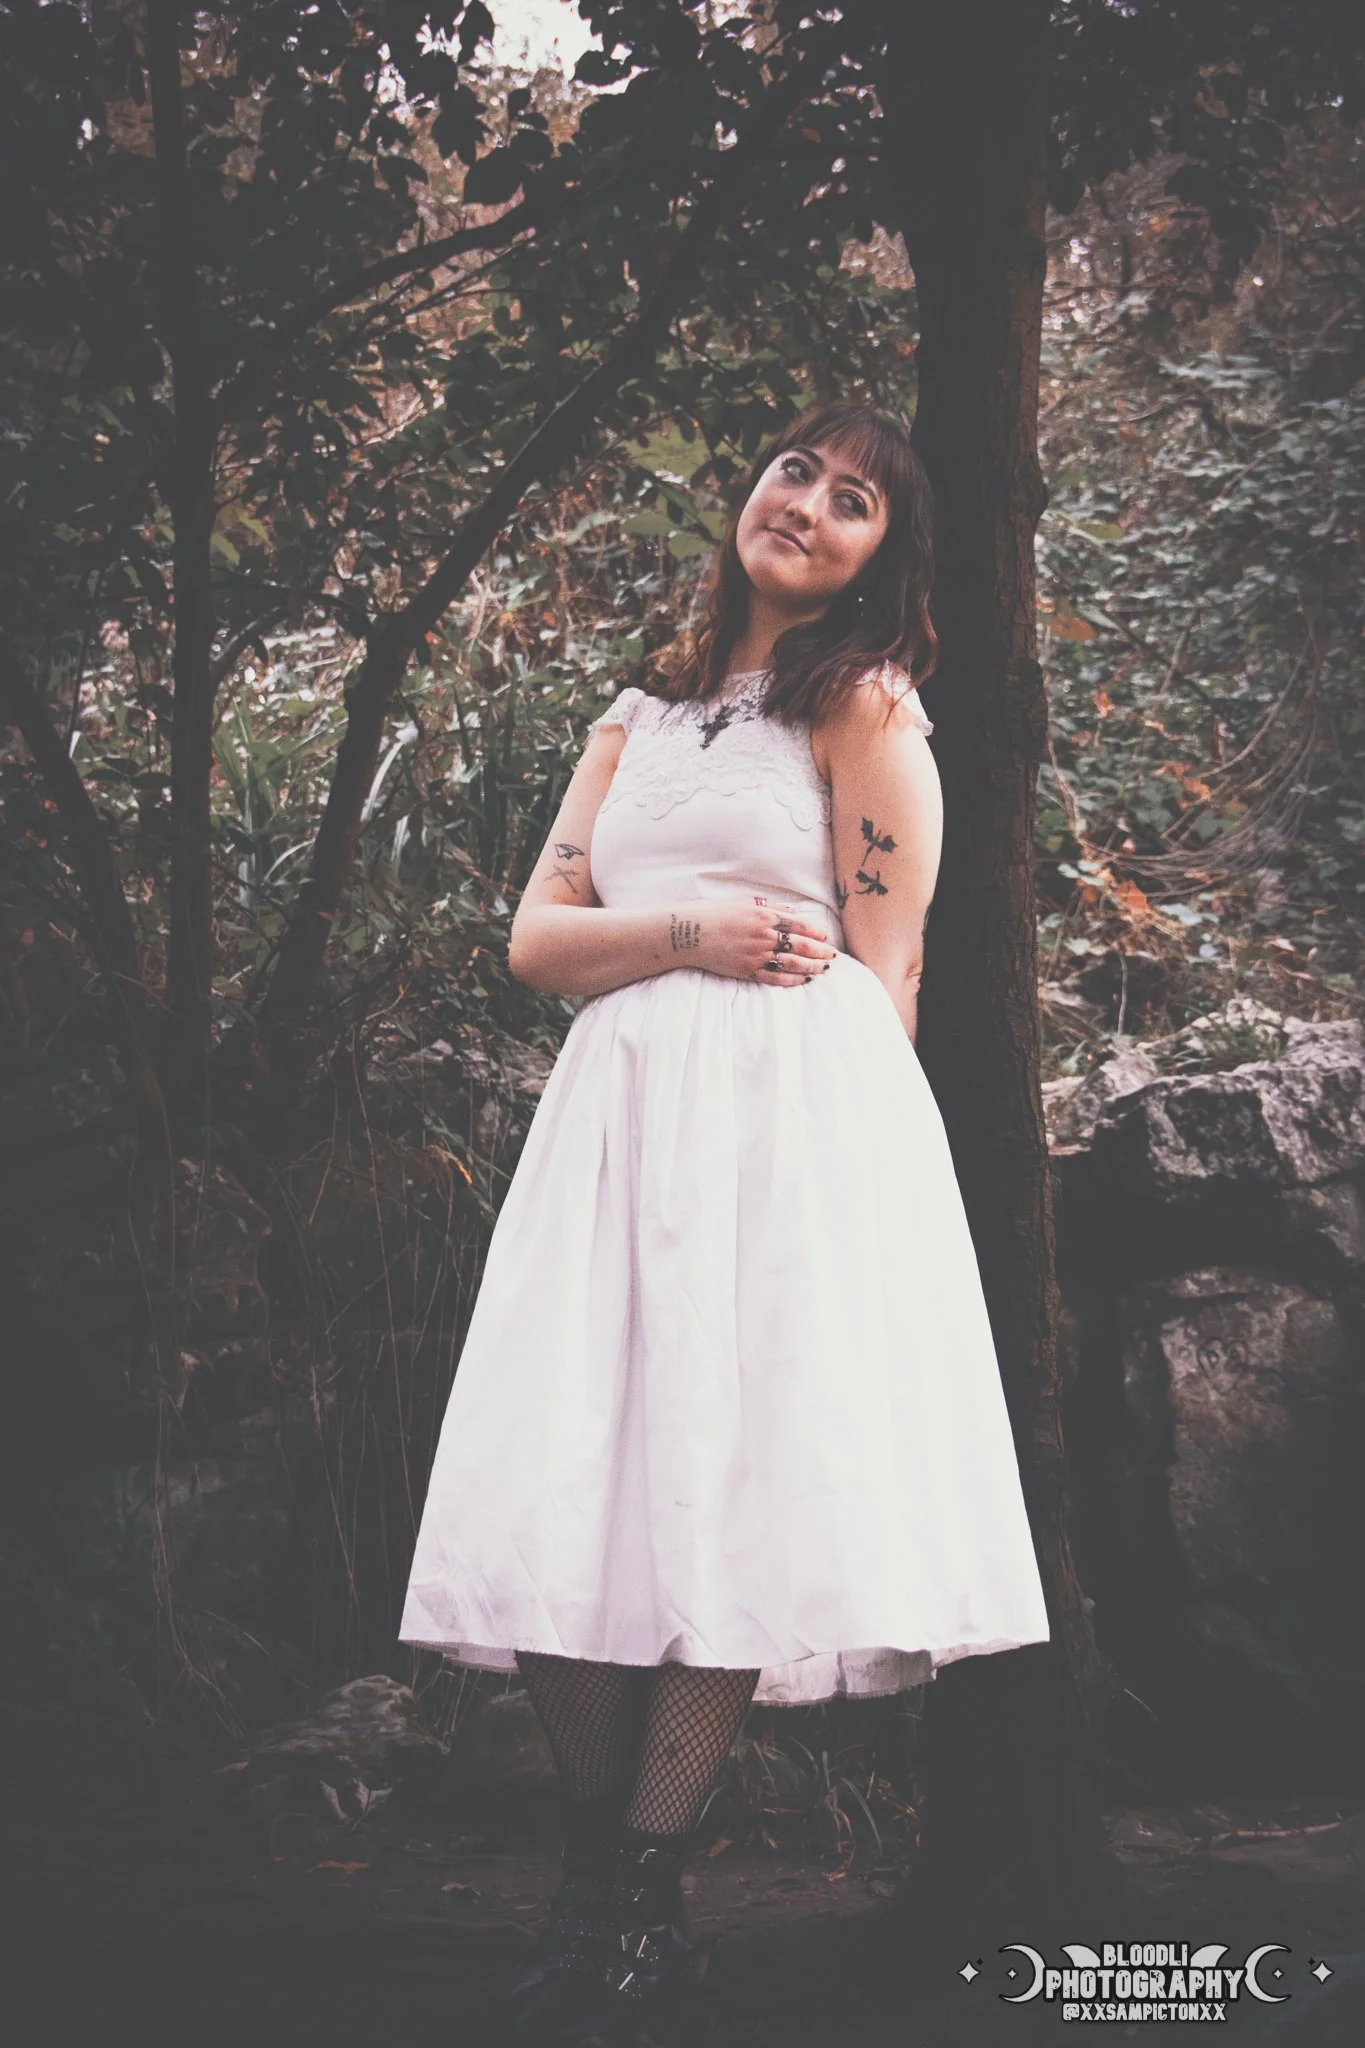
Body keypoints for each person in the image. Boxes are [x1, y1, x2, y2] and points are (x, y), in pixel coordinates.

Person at [399, 398, 1051, 2039]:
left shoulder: (868, 708)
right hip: (616, 1123)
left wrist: (836, 1206)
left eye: (853, 503)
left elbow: (885, 972)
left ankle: (630, 1905)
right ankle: (596, 1866)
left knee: (716, 1494)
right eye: (795, 475)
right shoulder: (638, 715)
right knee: (571, 1467)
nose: (810, 510)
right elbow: (539, 942)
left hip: (777, 1135)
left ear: (878, 556)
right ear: (746, 492)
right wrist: (687, 928)